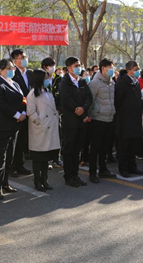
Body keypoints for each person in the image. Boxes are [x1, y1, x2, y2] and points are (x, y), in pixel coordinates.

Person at [0, 59, 25, 200]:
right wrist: (17, 114)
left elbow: (22, 100)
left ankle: (5, 183)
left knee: (10, 156)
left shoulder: (15, 83)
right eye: (8, 68)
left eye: (12, 68)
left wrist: (23, 112)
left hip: (14, 126)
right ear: (0, 70)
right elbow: (1, 105)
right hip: (1, 126)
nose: (11, 70)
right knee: (0, 157)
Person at [58, 56, 92, 188]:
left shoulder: (82, 82)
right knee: (69, 149)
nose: (79, 68)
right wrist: (80, 112)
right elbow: (67, 100)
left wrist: (84, 108)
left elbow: (89, 97)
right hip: (70, 121)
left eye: (79, 65)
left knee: (77, 149)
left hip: (81, 121)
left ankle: (75, 174)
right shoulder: (64, 83)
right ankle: (68, 176)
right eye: (76, 66)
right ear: (68, 68)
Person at [27, 69, 61, 192]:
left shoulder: (47, 91)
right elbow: (31, 112)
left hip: (49, 127)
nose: (48, 80)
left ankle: (45, 180)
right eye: (45, 77)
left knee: (46, 158)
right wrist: (39, 122)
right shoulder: (32, 94)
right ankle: (37, 181)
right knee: (38, 158)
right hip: (40, 130)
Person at [87, 58, 117, 183]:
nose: (112, 70)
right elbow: (90, 100)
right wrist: (89, 116)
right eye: (110, 67)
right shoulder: (95, 83)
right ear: (103, 68)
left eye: (112, 67)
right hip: (97, 119)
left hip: (109, 118)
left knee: (105, 146)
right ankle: (92, 172)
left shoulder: (112, 82)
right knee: (95, 147)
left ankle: (103, 169)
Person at [114, 61, 143, 177]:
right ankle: (123, 169)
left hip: (135, 119)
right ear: (128, 70)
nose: (137, 71)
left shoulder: (135, 82)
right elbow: (118, 101)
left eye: (138, 69)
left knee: (133, 145)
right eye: (135, 69)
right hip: (125, 120)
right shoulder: (122, 83)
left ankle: (132, 167)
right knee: (124, 146)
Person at [10, 49, 33, 176]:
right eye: (21, 57)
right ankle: (11, 166)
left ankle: (20, 164)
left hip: (29, 110)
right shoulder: (12, 74)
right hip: (18, 112)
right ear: (15, 61)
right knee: (15, 141)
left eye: (25, 57)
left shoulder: (30, 73)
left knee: (23, 140)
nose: (24, 59)